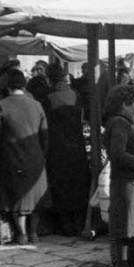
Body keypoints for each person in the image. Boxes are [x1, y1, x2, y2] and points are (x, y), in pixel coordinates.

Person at [0, 70, 51, 244]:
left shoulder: (1, 105)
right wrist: (42, 155)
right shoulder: (36, 105)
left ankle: (21, 234)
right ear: (24, 85)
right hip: (35, 157)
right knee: (35, 199)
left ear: (7, 85)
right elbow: (45, 135)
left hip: (11, 157)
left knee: (16, 198)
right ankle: (33, 233)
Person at [103, 84, 134, 267]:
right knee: (126, 225)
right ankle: (122, 266)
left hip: (129, 182)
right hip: (127, 182)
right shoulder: (120, 124)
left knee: (131, 224)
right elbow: (117, 153)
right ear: (124, 104)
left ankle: (130, 263)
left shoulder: (117, 123)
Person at [42, 63, 90, 235]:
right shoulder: (75, 94)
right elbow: (82, 117)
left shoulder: (49, 98)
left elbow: (45, 125)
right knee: (78, 185)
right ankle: (78, 222)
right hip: (77, 146)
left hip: (57, 148)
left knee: (61, 186)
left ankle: (66, 226)